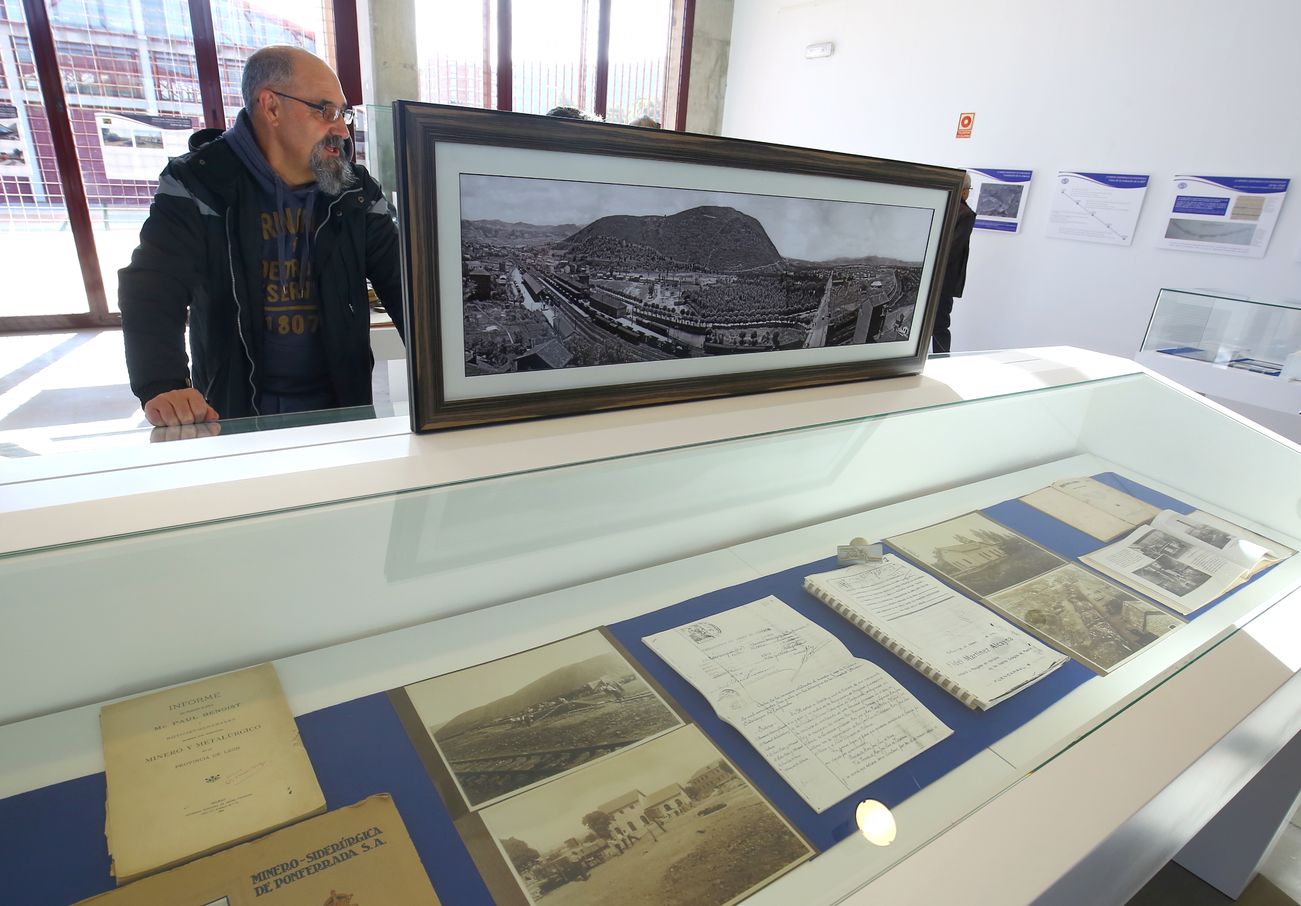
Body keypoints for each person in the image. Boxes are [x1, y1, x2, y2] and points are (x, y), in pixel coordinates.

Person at [120, 45, 404, 427]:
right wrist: (163, 383)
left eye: (344, 114)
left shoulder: (353, 191)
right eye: (326, 111)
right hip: (235, 408)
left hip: (341, 405)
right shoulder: (198, 185)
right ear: (270, 107)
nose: (341, 128)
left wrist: (462, 372)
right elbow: (153, 288)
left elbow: (405, 283)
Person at [932, 173, 975, 354]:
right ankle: (941, 361)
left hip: (931, 276)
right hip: (944, 280)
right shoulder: (965, 214)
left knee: (931, 324)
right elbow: (953, 250)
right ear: (964, 191)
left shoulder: (940, 206)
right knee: (940, 325)